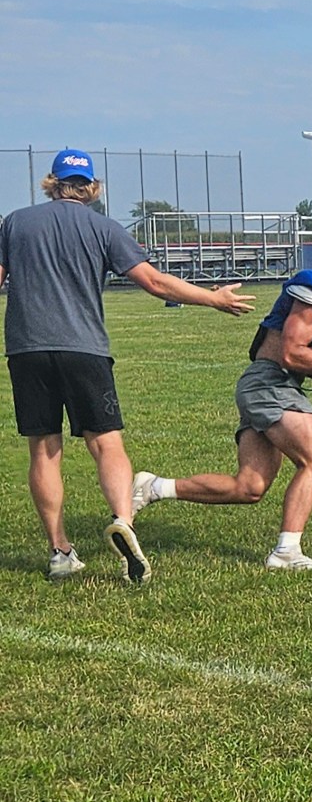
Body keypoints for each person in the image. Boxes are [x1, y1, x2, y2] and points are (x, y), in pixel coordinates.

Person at [0, 148, 256, 583]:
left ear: (51, 182)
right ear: (92, 187)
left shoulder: (16, 222)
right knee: (107, 443)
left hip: (26, 348)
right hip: (85, 349)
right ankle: (123, 520)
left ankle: (60, 551)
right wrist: (213, 298)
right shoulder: (104, 227)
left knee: (44, 449)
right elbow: (154, 282)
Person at [131, 233, 312, 572]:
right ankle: (286, 551)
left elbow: (306, 356)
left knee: (249, 487)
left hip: (272, 384)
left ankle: (153, 487)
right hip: (270, 382)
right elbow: (290, 352)